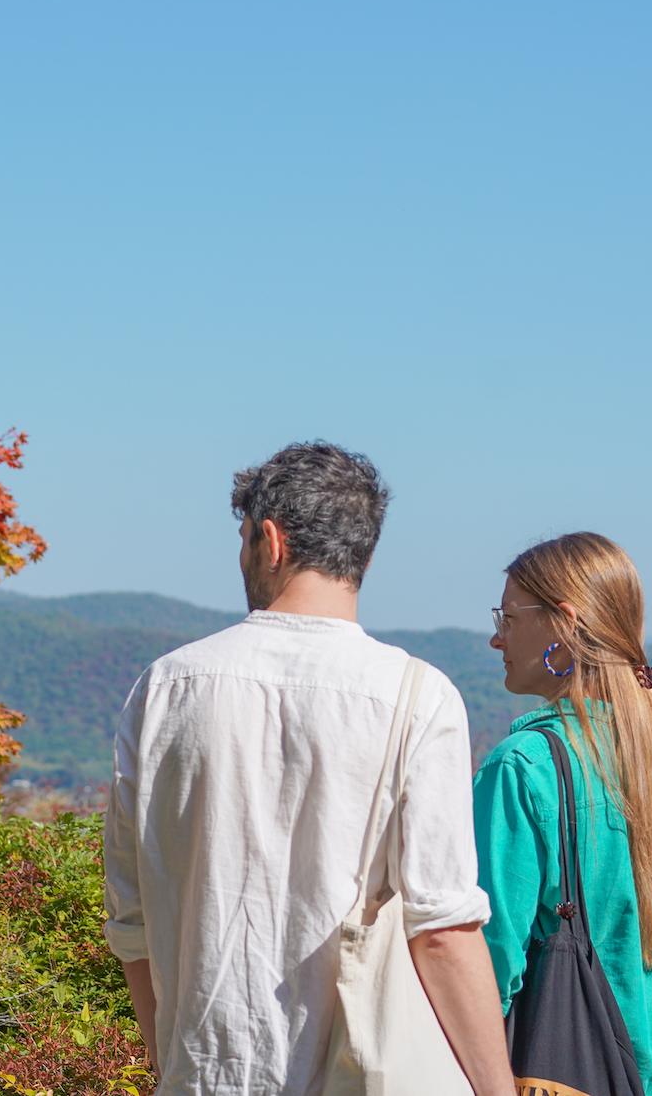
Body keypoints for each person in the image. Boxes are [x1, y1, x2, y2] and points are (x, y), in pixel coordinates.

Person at [103, 442, 512, 1096]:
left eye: (242, 537)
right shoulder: (417, 695)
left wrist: (171, 1064)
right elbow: (443, 932)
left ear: (270, 540)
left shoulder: (165, 688)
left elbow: (131, 919)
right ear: (366, 557)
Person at [474, 533, 652, 1096]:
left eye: (508, 617)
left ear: (563, 622)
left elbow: (485, 972)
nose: (495, 637)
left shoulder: (524, 769)